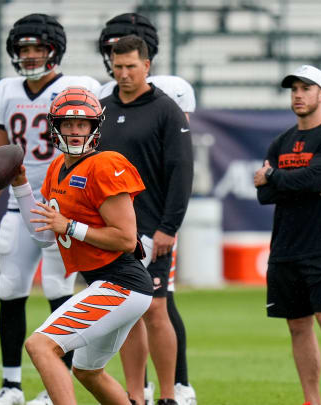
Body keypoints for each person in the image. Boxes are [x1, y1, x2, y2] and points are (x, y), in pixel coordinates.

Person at [0, 14, 101, 405]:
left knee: (57, 289)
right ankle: (10, 384)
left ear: (54, 51)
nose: (30, 55)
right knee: (10, 288)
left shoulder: (77, 88)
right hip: (20, 205)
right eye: (24, 49)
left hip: (60, 205)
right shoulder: (4, 91)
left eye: (38, 48)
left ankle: (58, 387)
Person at [12, 85, 152, 405]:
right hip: (107, 283)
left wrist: (72, 227)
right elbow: (46, 235)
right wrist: (21, 188)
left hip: (121, 283)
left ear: (94, 127)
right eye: (68, 124)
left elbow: (125, 238)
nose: (75, 131)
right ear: (55, 126)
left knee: (40, 345)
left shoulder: (105, 164)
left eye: (82, 124)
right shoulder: (56, 168)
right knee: (87, 371)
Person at [97, 14, 197, 405]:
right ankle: (136, 396)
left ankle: (170, 394)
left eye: (131, 67)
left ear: (147, 65)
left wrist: (169, 228)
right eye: (117, 67)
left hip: (153, 229)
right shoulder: (101, 109)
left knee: (157, 309)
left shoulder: (166, 110)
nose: (123, 74)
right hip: (113, 231)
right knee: (128, 312)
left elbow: (181, 172)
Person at [253, 65, 321, 405]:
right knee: (297, 326)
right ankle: (312, 400)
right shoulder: (281, 141)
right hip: (285, 248)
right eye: (294, 89)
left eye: (306, 88)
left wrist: (276, 178)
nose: (298, 94)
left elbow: (317, 178)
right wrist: (287, 182)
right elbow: (265, 195)